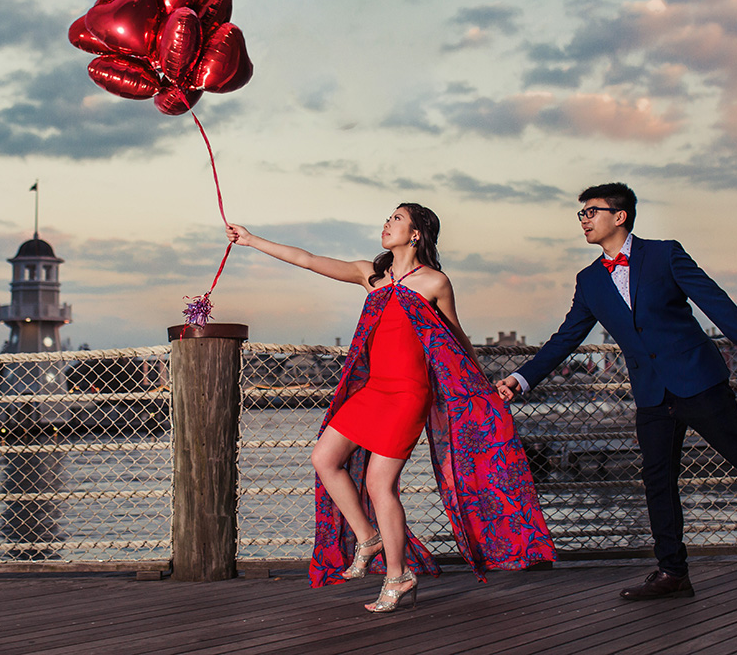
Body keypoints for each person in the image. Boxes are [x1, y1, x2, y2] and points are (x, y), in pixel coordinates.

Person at [496, 183, 737, 600]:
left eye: (590, 212)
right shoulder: (589, 281)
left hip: (697, 378)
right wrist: (523, 377)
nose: (583, 220)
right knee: (657, 480)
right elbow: (566, 337)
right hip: (651, 392)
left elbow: (716, 302)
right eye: (581, 214)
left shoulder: (665, 253)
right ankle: (673, 573)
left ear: (619, 216)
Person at [227, 203, 554, 613]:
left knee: (381, 485)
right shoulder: (372, 275)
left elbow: (455, 338)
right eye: (387, 218)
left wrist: (483, 385)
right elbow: (308, 260)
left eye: (396, 219)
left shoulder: (435, 281)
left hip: (408, 395)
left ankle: (397, 575)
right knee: (324, 458)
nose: (387, 223)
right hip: (372, 390)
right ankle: (368, 537)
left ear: (416, 234)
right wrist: (251, 239)